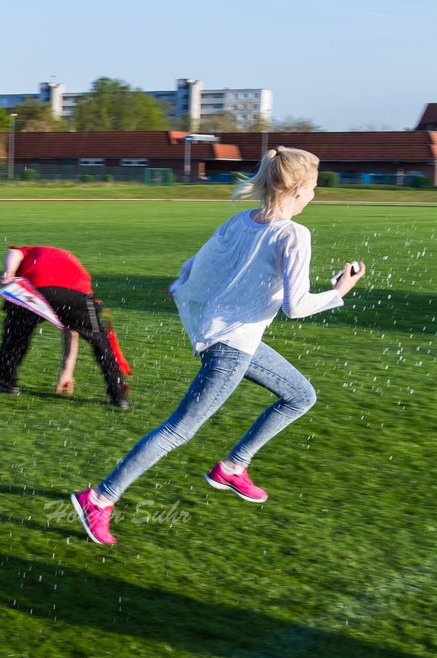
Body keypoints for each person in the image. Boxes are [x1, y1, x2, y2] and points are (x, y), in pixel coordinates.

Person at [71, 147, 365, 544]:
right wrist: (338, 292)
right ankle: (100, 498)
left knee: (300, 395)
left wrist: (181, 288)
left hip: (225, 338)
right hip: (232, 348)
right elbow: (296, 308)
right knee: (178, 430)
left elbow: (195, 266)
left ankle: (234, 467)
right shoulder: (294, 234)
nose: (314, 195)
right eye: (313, 188)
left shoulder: (239, 221)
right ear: (297, 188)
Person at [0, 245, 130, 408]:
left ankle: (9, 383)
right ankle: (119, 396)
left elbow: (14, 252)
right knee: (100, 343)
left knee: (15, 333)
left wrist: (9, 272)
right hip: (79, 295)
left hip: (37, 287)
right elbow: (72, 330)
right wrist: (67, 371)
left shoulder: (30, 250)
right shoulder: (70, 261)